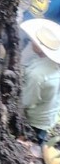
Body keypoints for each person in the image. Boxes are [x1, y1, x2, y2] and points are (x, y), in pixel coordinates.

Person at [20, 18, 60, 152]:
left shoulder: (37, 75)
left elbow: (27, 101)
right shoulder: (52, 64)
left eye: (33, 41)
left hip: (35, 120)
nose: (31, 41)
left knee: (32, 147)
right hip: (49, 112)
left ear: (38, 47)